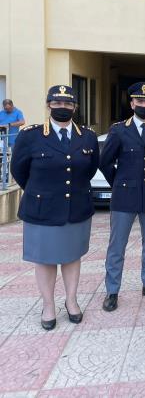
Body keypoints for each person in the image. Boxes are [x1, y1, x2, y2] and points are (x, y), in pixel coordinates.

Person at [10, 85, 99, 330]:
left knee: (72, 257)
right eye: (57, 104)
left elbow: (90, 169)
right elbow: (18, 170)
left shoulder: (87, 136)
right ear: (49, 105)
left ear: (74, 108)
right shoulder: (31, 135)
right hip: (43, 209)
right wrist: (43, 192)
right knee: (45, 259)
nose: (63, 108)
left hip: (76, 207)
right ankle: (48, 305)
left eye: (68, 104)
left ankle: (71, 301)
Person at [99, 82, 145, 312]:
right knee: (117, 246)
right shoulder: (119, 130)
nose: (144, 104)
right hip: (124, 198)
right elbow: (105, 162)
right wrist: (120, 183)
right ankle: (112, 291)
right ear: (132, 103)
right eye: (140, 101)